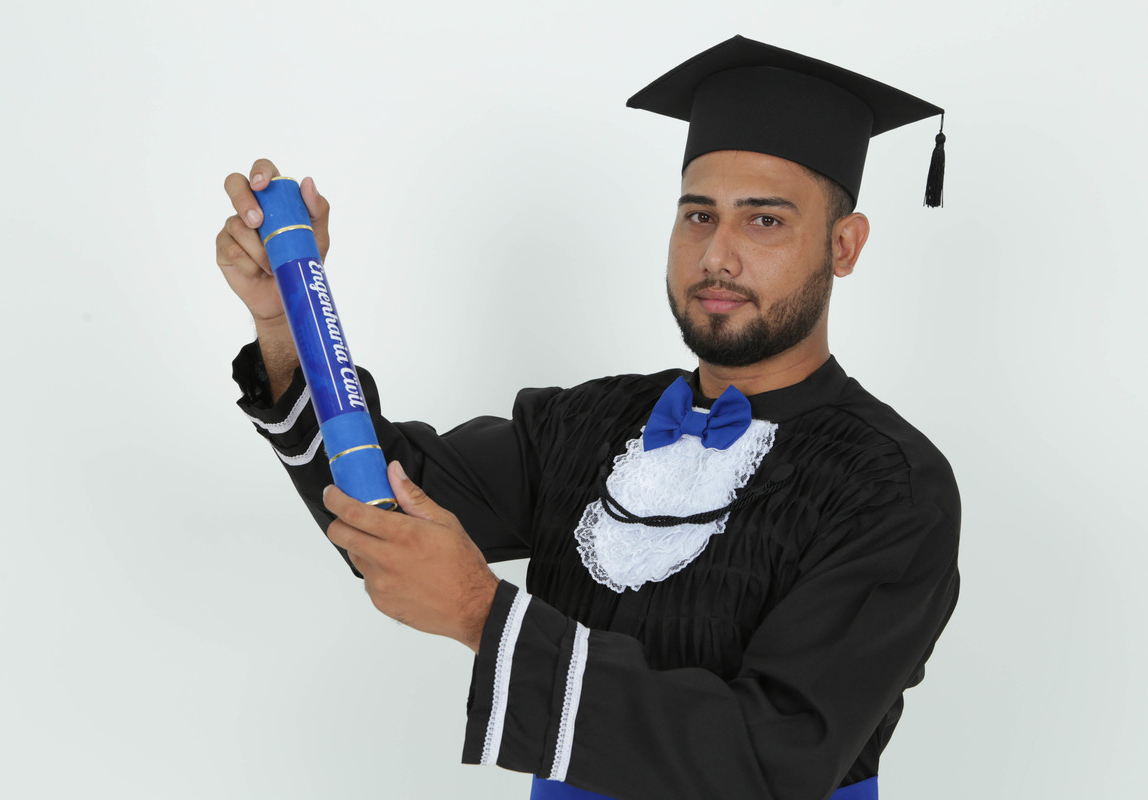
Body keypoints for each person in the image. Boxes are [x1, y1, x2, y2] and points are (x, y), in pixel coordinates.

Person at [215, 35, 960, 800]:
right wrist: (288, 322)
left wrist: (482, 614)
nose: (717, 256)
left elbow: (775, 759)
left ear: (844, 245)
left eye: (764, 221)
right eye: (699, 215)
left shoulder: (892, 486)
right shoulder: (585, 422)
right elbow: (384, 503)